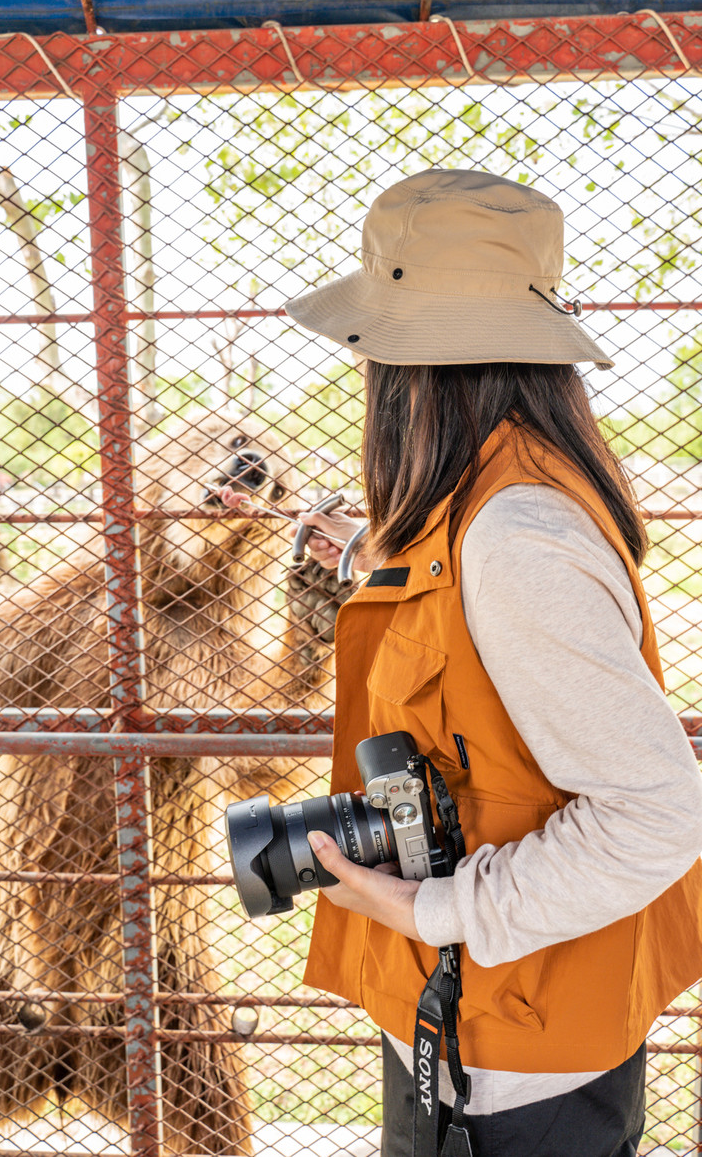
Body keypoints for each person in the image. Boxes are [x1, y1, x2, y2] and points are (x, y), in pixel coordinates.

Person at [279, 170, 702, 1157]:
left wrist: (428, 906)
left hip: (509, 1042)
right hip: (477, 1011)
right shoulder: (488, 491)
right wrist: (356, 555)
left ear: (407, 361)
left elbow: (655, 812)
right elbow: (459, 618)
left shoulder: (514, 537)